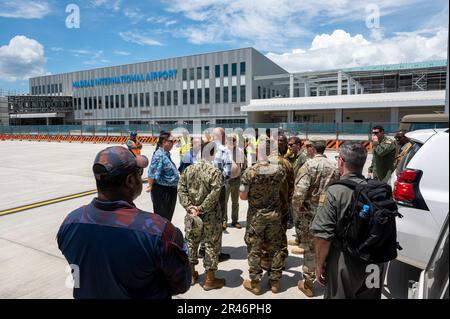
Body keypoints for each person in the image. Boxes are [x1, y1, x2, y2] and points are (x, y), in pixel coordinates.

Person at [57, 146, 191, 299]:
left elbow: (80, 272)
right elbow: (182, 283)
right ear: (130, 181)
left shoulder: (70, 224)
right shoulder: (159, 231)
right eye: (139, 173)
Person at [311, 141, 385, 299]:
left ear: (341, 161)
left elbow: (323, 237)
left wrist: (318, 266)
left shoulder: (335, 191)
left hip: (347, 264)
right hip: (376, 263)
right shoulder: (376, 190)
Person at [292, 140, 340, 297]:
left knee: (310, 249)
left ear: (312, 149)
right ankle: (327, 279)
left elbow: (299, 193)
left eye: (308, 147)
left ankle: (308, 283)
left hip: (310, 215)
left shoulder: (308, 165)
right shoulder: (334, 166)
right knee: (327, 246)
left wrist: (298, 207)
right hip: (329, 213)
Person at [240, 140, 287, 295]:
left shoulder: (249, 172)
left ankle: (255, 283)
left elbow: (242, 196)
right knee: (275, 248)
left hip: (256, 217)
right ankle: (275, 282)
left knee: (254, 249)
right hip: (274, 215)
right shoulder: (279, 171)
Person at [178, 151, 226, 291]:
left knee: (191, 242)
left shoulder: (188, 170)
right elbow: (215, 194)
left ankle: (192, 275)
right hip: (211, 216)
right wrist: (202, 208)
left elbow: (181, 189)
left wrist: (190, 207)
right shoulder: (215, 172)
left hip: (192, 214)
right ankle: (210, 280)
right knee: (211, 244)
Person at [198, 127, 232, 262]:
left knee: (202, 216)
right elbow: (227, 174)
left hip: (202, 189)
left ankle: (202, 248)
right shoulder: (225, 151)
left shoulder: (204, 149)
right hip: (219, 190)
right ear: (223, 137)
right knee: (218, 220)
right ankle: (215, 252)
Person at [147, 131, 179, 221]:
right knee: (162, 219)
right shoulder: (159, 155)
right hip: (163, 191)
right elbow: (152, 172)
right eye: (171, 141)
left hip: (169, 190)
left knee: (167, 218)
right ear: (164, 142)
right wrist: (150, 185)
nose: (173, 143)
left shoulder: (166, 154)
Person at [224, 133, 247, 229]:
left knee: (235, 202)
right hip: (226, 180)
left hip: (237, 180)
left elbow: (245, 164)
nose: (231, 142)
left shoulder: (240, 151)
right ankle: (223, 221)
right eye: (229, 140)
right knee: (224, 202)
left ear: (235, 141)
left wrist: (243, 175)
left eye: (233, 140)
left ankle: (235, 221)